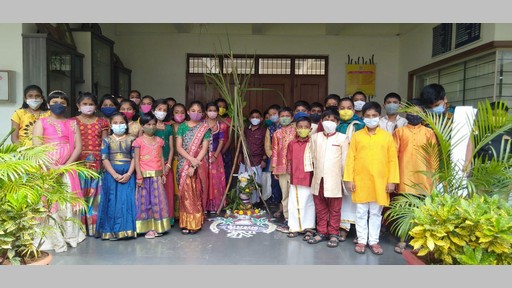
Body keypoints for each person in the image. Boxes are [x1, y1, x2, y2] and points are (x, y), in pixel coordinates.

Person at [343, 101, 400, 255]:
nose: (371, 118)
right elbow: (350, 159)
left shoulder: (387, 137)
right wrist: (349, 179)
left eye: (374, 115)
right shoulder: (357, 136)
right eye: (367, 116)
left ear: (379, 117)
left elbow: (392, 160)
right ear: (364, 118)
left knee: (375, 213)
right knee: (361, 212)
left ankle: (373, 241)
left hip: (380, 182)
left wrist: (392, 181)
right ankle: (362, 240)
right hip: (360, 181)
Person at [32, 90, 85, 252]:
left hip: (67, 170)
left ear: (67, 105)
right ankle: (52, 238)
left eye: (62, 103)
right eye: (54, 102)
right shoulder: (41, 122)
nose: (58, 105)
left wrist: (65, 166)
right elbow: (37, 147)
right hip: (47, 169)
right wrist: (51, 167)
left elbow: (78, 148)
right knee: (49, 202)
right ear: (48, 104)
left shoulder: (72, 123)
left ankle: (69, 235)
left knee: (67, 202)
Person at [391, 98, 437, 253]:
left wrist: (435, 177)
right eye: (411, 111)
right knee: (403, 211)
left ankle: (419, 241)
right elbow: (393, 156)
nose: (414, 114)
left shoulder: (429, 132)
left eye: (418, 111)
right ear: (406, 113)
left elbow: (434, 156)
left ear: (423, 113)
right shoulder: (399, 131)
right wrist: (393, 178)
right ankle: (402, 239)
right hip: (404, 176)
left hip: (425, 179)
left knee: (422, 211)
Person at [307, 107, 346, 248]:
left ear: (338, 122)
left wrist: (344, 179)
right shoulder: (315, 137)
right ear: (322, 121)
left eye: (333, 120)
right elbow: (309, 156)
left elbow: (345, 160)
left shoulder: (342, 138)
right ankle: (321, 232)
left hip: (334, 180)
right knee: (320, 207)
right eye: (326, 119)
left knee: (335, 209)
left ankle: (333, 233)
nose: (329, 122)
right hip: (318, 179)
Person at [95, 112, 137, 240]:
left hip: (128, 172)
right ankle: (111, 231)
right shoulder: (106, 140)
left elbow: (135, 158)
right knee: (112, 201)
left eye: (122, 123)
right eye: (115, 123)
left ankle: (126, 230)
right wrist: (114, 174)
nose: (119, 125)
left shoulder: (132, 139)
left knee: (127, 201)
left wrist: (129, 174)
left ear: (126, 124)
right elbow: (104, 159)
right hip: (111, 174)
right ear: (111, 125)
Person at [73, 92, 109, 236]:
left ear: (96, 106)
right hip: (79, 162)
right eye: (84, 104)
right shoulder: (73, 121)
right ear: (78, 106)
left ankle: (95, 227)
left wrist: (104, 161)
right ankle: (80, 228)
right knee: (80, 192)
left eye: (91, 104)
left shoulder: (102, 122)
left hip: (97, 162)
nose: (88, 107)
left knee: (96, 194)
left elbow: (104, 143)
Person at [132, 112, 172, 239]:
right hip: (144, 176)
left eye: (154, 124)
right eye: (148, 124)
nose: (152, 126)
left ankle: (158, 226)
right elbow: (136, 160)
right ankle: (145, 228)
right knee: (144, 202)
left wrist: (163, 173)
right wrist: (139, 176)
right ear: (142, 126)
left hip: (157, 176)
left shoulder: (159, 141)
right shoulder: (138, 141)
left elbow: (161, 158)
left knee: (158, 201)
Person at [176, 101, 211, 235]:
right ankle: (185, 223)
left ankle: (195, 223)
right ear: (188, 111)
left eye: (199, 111)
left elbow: (204, 149)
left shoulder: (205, 128)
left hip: (197, 165)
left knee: (195, 193)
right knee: (185, 194)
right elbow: (179, 147)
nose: (195, 113)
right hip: (183, 164)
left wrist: (194, 165)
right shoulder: (182, 127)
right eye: (193, 110)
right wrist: (190, 160)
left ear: (202, 114)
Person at [336, 97, 365, 242]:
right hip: (339, 165)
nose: (345, 111)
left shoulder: (360, 125)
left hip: (356, 165)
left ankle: (359, 231)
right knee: (343, 197)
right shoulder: (336, 124)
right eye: (342, 108)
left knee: (356, 197)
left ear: (354, 110)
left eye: (349, 108)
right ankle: (344, 228)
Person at [285, 116, 316, 239]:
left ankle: (309, 227)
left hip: (310, 176)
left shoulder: (313, 142)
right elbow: (289, 159)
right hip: (296, 176)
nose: (303, 129)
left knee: (309, 202)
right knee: (295, 202)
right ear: (296, 128)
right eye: (300, 127)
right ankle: (295, 226)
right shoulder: (292, 143)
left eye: (306, 127)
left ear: (310, 129)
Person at [271, 106, 296, 228]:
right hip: (281, 168)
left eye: (287, 116)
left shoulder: (296, 131)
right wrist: (274, 167)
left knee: (294, 193)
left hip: (294, 168)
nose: (284, 118)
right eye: (282, 116)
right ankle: (287, 217)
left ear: (292, 118)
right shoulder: (277, 133)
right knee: (284, 193)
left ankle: (295, 217)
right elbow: (274, 151)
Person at [152, 99, 175, 225]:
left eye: (164, 110)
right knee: (155, 193)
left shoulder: (168, 128)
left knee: (167, 192)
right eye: (159, 109)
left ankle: (168, 219)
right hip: (152, 165)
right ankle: (155, 220)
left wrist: (168, 164)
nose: (162, 112)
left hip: (166, 164)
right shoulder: (149, 127)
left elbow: (171, 148)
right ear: (153, 110)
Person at [238, 109, 267, 206]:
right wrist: (240, 156)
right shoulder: (245, 130)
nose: (255, 119)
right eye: (253, 117)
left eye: (257, 117)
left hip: (257, 160)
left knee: (255, 181)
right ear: (249, 118)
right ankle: (242, 200)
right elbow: (241, 144)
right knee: (243, 180)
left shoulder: (263, 131)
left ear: (261, 119)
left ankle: (254, 202)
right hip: (244, 160)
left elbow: (266, 146)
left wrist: (264, 159)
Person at [204, 102, 227, 213]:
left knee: (215, 180)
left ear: (217, 112)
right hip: (203, 156)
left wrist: (216, 155)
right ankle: (204, 204)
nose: (212, 112)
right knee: (204, 179)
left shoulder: (220, 125)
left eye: (214, 110)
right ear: (206, 111)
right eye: (210, 110)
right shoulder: (201, 124)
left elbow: (221, 141)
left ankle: (215, 205)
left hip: (215, 157)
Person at [264, 104, 283, 214]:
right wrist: (274, 156)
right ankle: (279, 208)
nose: (272, 116)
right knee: (275, 185)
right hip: (275, 162)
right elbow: (267, 146)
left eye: (274, 114)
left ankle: (285, 209)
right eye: (270, 115)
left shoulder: (289, 127)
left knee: (285, 185)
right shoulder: (270, 129)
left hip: (286, 161)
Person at [170, 103, 187, 219]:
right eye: (176, 112)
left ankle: (184, 212)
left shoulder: (188, 126)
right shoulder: (169, 127)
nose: (179, 114)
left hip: (186, 161)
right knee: (174, 187)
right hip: (172, 161)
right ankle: (175, 213)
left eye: (182, 112)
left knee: (184, 186)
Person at [215, 98, 233, 187]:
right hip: (212, 150)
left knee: (225, 171)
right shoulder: (211, 119)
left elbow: (230, 138)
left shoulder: (228, 120)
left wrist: (222, 151)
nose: (221, 109)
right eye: (219, 107)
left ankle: (226, 192)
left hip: (225, 150)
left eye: (223, 107)